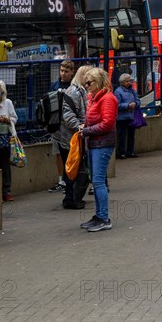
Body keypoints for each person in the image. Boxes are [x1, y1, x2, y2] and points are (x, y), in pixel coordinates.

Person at [79, 68, 118, 232]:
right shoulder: (94, 98)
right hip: (96, 143)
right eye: (86, 83)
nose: (87, 85)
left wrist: (87, 130)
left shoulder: (107, 98)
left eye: (90, 82)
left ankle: (104, 218)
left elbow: (107, 123)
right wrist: (86, 126)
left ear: (99, 82)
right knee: (96, 181)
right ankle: (99, 215)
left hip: (102, 143)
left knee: (98, 181)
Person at [55, 65, 89, 210]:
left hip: (71, 137)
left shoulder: (79, 90)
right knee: (71, 168)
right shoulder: (75, 92)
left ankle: (72, 197)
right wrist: (81, 127)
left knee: (71, 167)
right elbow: (68, 116)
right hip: (70, 138)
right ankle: (71, 199)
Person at [48, 60, 75, 192]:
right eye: (61, 70)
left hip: (69, 125)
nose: (63, 74)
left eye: (66, 71)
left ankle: (71, 179)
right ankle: (61, 180)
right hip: (56, 124)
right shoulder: (55, 85)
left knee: (71, 153)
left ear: (72, 72)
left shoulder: (74, 86)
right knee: (58, 153)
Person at [114, 73, 141, 159]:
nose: (129, 83)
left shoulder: (133, 90)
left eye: (130, 81)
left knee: (131, 135)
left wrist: (136, 103)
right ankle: (121, 152)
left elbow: (138, 100)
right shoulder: (118, 92)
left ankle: (130, 151)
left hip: (131, 116)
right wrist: (128, 105)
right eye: (127, 81)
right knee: (122, 135)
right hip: (122, 118)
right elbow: (117, 105)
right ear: (122, 82)